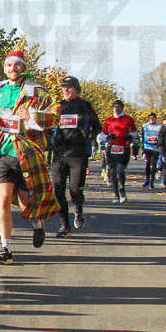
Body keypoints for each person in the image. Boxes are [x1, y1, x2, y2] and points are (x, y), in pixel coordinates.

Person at [0, 51, 59, 265]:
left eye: (17, 65)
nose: (13, 69)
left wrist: (34, 115)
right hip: (3, 153)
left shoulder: (37, 91)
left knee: (28, 200)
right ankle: (5, 249)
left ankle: (37, 224)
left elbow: (56, 115)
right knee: (4, 199)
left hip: (27, 153)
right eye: (9, 65)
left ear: (23, 67)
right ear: (5, 68)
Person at [49, 76, 101, 238]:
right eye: (63, 87)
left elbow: (98, 127)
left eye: (69, 87)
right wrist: (50, 137)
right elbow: (46, 125)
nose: (65, 90)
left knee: (74, 190)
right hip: (59, 154)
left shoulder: (85, 106)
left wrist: (90, 134)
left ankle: (78, 211)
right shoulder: (57, 107)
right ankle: (65, 226)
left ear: (76, 89)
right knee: (57, 190)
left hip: (78, 154)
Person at [102, 100, 137, 204]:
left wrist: (131, 136)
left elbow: (134, 131)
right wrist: (108, 137)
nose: (116, 109)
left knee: (120, 170)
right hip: (112, 148)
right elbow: (102, 135)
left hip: (124, 148)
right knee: (112, 171)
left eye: (118, 107)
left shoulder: (128, 119)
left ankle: (122, 189)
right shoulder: (109, 120)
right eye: (114, 107)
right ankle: (116, 194)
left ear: (122, 108)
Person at [140, 112, 162, 189]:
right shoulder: (145, 126)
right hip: (147, 148)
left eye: (153, 118)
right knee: (147, 163)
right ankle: (147, 179)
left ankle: (152, 181)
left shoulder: (160, 126)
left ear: (156, 119)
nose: (152, 120)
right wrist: (142, 149)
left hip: (156, 148)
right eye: (150, 118)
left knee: (154, 164)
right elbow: (142, 137)